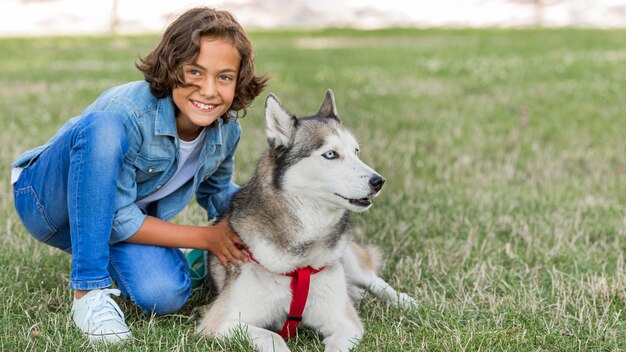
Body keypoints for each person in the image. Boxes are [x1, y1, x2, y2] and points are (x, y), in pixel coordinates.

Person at [11, 7, 268, 344]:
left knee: (165, 293)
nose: (208, 90)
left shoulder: (226, 130)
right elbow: (117, 219)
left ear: (239, 81)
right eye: (194, 71)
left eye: (224, 77)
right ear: (171, 66)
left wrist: (273, 214)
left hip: (116, 217)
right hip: (47, 202)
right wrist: (205, 238)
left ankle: (187, 262)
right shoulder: (129, 112)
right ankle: (88, 292)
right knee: (102, 127)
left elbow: (218, 194)